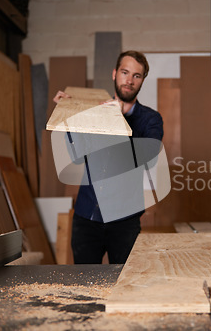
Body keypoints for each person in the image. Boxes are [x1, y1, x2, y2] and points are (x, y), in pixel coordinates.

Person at [53, 51, 163, 264]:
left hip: (124, 222)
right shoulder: (93, 112)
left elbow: (148, 158)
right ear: (114, 74)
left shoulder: (151, 120)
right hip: (86, 217)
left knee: (123, 286)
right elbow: (77, 157)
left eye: (136, 76)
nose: (129, 80)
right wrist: (69, 115)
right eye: (124, 72)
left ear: (142, 81)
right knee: (85, 288)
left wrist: (115, 120)